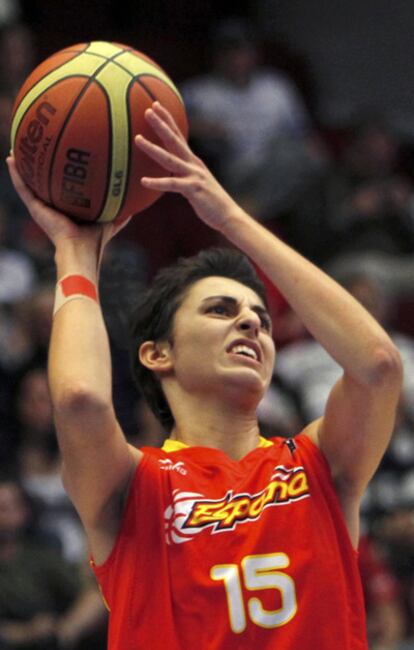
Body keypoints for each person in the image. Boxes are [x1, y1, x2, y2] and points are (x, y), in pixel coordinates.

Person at [7, 101, 402, 649]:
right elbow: (79, 400)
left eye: (260, 319)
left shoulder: (318, 463)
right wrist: (75, 255)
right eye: (220, 310)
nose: (249, 322)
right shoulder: (135, 484)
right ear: (157, 354)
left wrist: (230, 218)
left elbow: (378, 366)